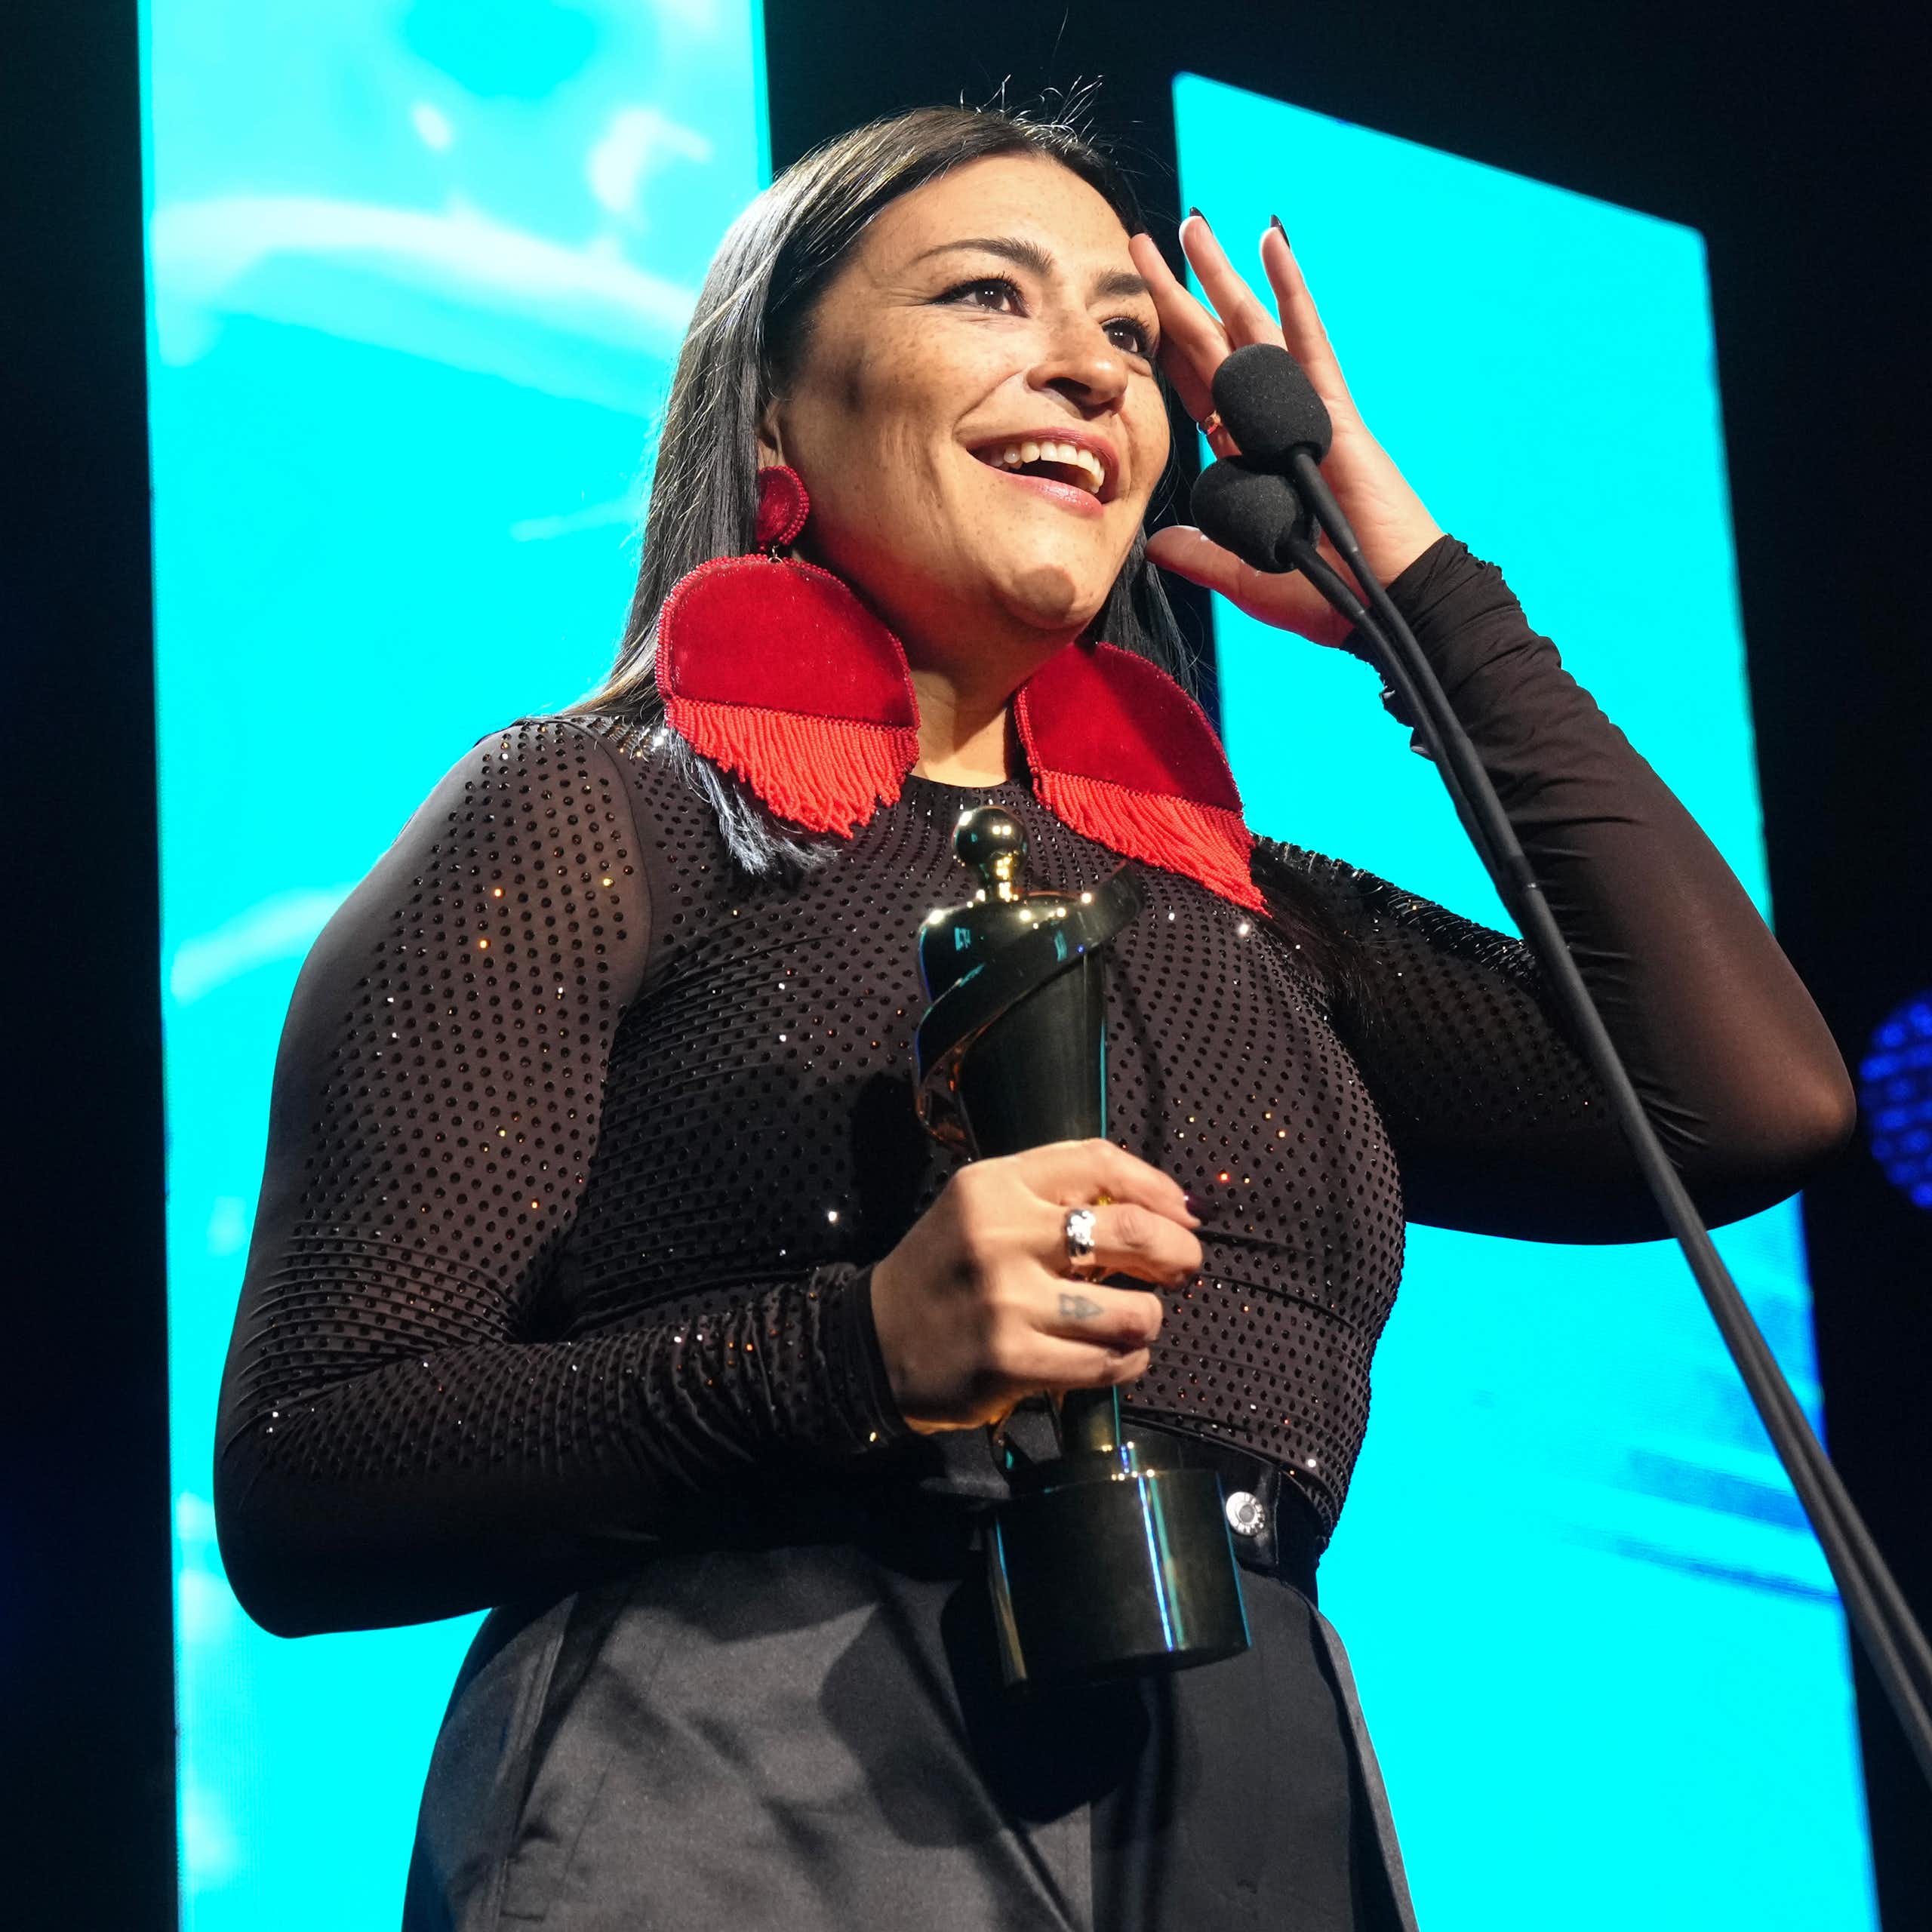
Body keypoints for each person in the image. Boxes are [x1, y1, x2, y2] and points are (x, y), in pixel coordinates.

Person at [214, 105, 1854, 1931]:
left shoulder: (1250, 912)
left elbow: (1748, 1098)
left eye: (1127, 337)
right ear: (772, 404)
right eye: (987, 294)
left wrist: (1413, 598)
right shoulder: (594, 814)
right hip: (748, 1778)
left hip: (1247, 1780)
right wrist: (856, 1352)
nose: (1083, 360)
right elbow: (311, 1476)